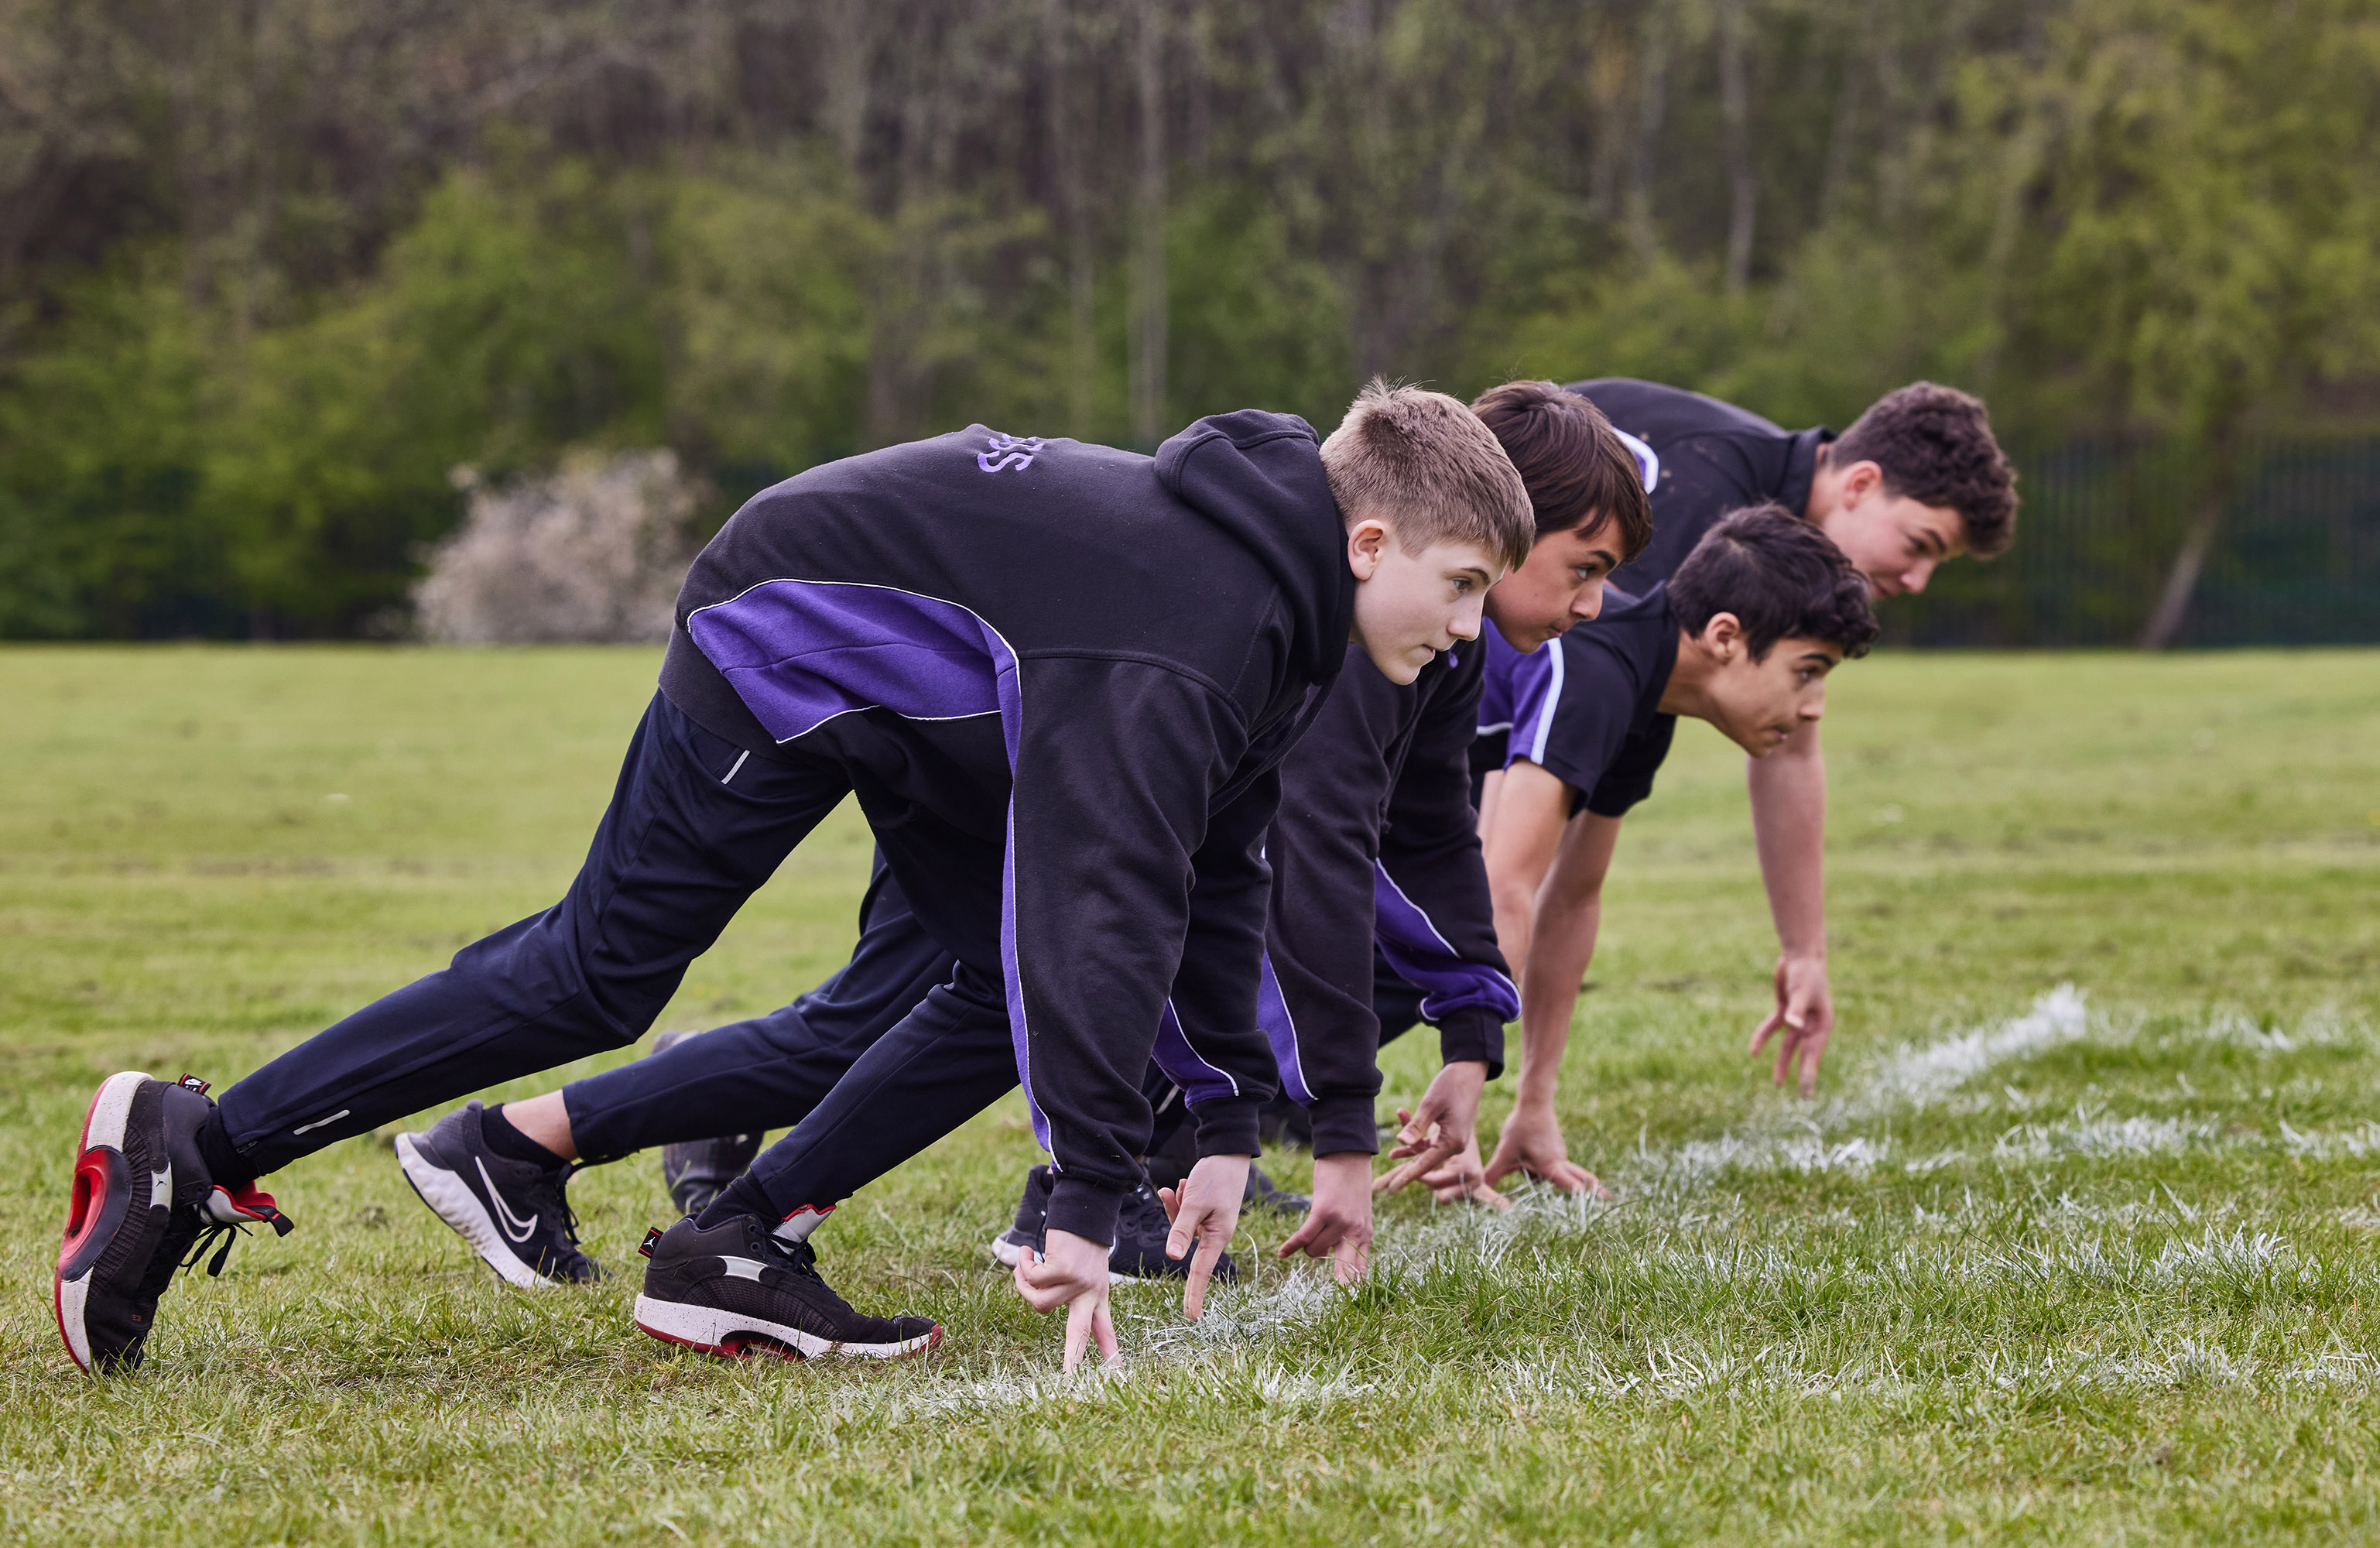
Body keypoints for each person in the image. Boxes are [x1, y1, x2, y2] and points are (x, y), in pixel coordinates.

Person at [53, 382, 1538, 1376]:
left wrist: (1214, 1119)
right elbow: (1104, 901)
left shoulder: (1274, 620)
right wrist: (1089, 1192)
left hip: (919, 697)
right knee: (603, 968)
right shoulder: (1197, 625)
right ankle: (200, 1139)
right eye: (1464, 584)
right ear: (1366, 539)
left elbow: (1223, 872)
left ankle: (736, 1242)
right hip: (789, 628)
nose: (1472, 627)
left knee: (978, 985)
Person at [390, 382, 1650, 1309]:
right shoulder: (1326, 625)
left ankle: (605, 1160)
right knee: (922, 1010)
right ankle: (592, 1159)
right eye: (1574, 568)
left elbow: (1377, 845)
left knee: (951, 1010)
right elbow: (1243, 876)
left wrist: (1450, 1031)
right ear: (1434, 538)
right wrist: (1316, 1141)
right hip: (952, 735)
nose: (1589, 606)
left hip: (995, 735)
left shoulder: (1409, 629)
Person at [1495, 379, 2019, 1104]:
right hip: (1406, 652)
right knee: (1445, 893)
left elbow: (1790, 749)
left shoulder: (1768, 567)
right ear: (1861, 484)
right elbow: (1569, 673)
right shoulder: (1702, 495)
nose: (1917, 580)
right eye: (1919, 544)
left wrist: (1804, 952)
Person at [1451, 506, 1882, 1207]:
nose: (1813, 709)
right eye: (1806, 671)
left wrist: (1533, 1104)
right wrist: (1464, 1096)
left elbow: (1573, 896)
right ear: (1724, 637)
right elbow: (1504, 888)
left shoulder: (1651, 699)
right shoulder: (1595, 663)